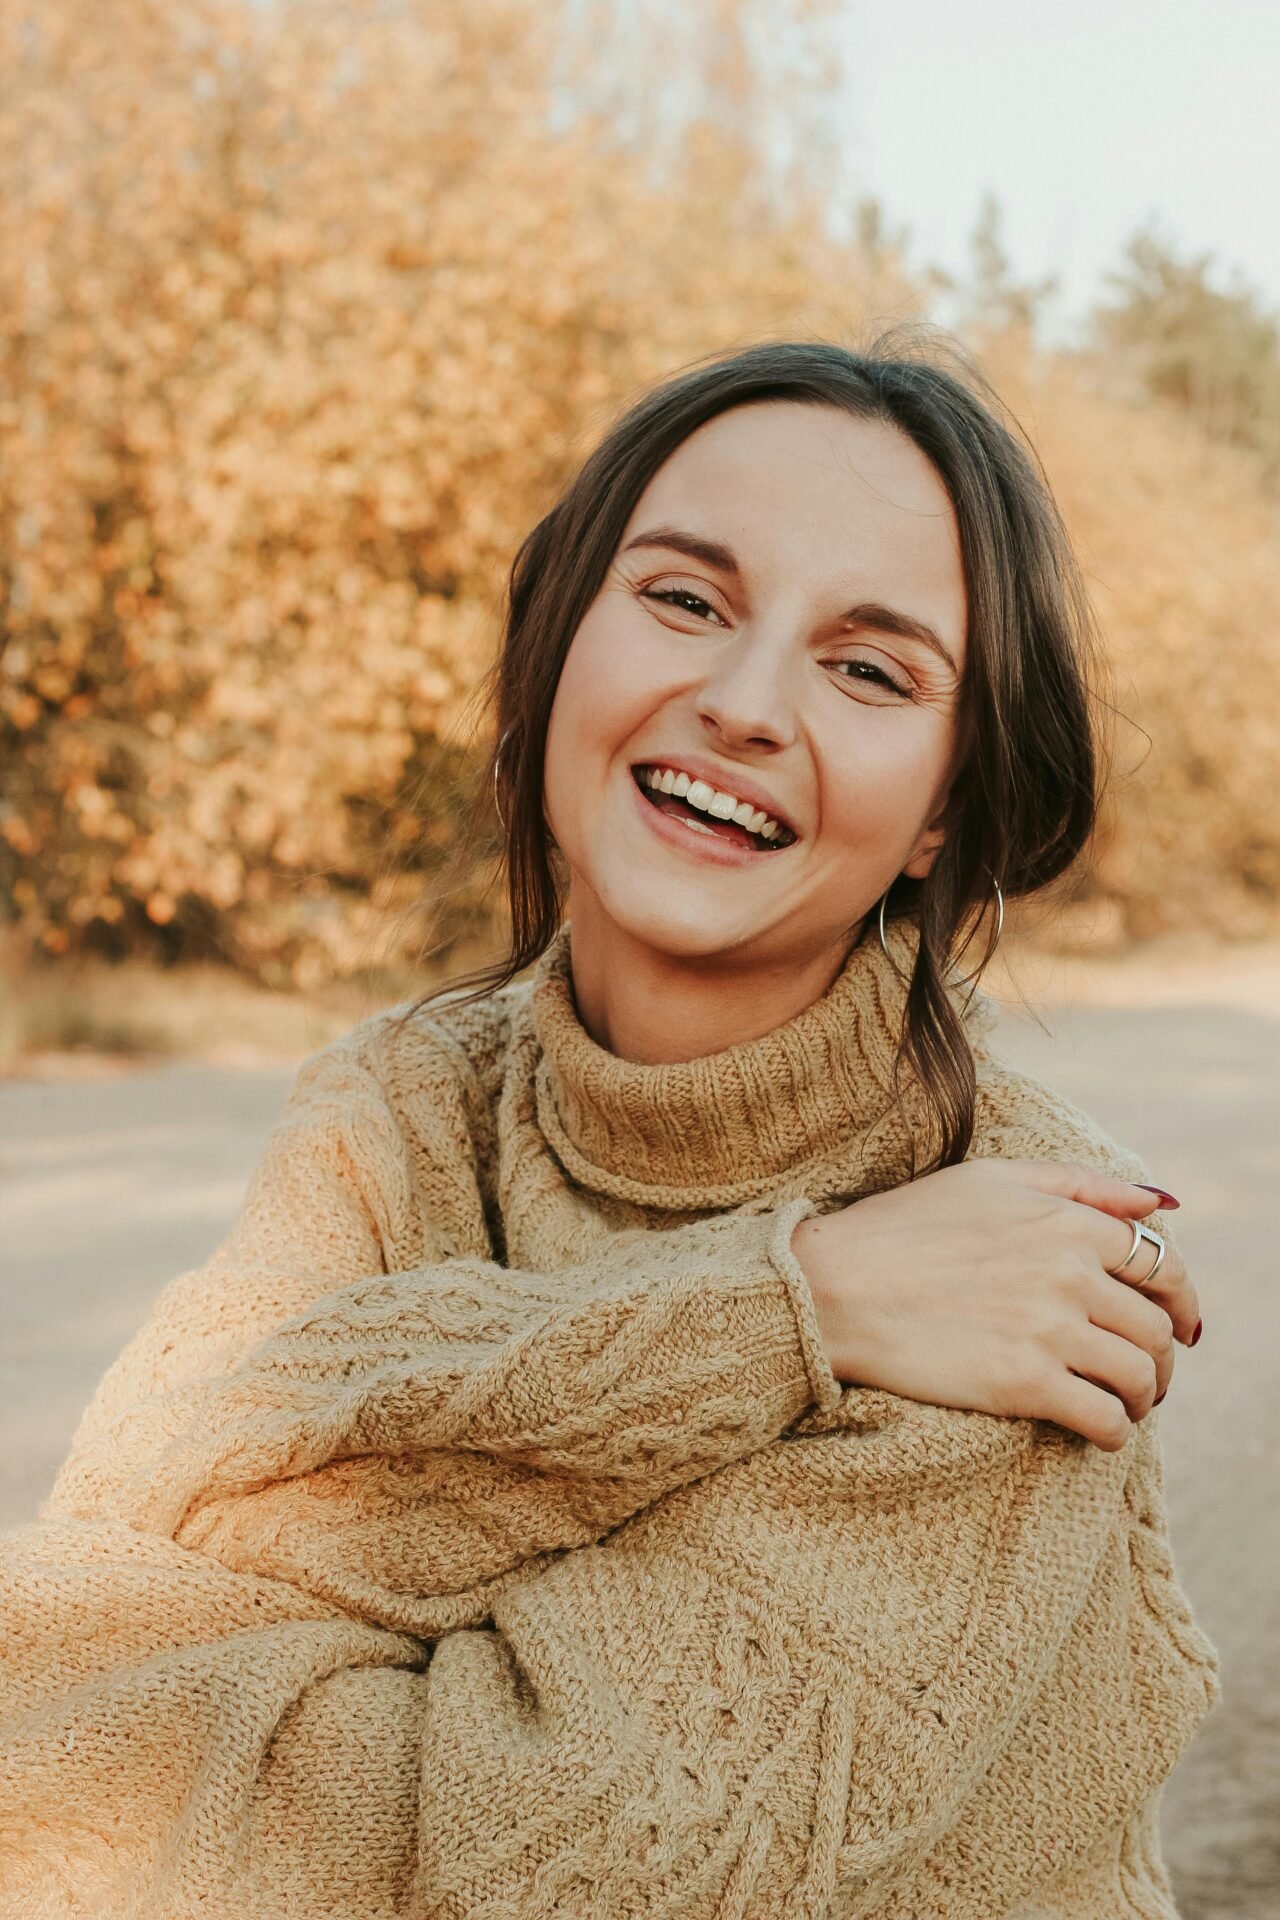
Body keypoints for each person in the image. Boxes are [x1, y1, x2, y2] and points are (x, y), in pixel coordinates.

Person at [0, 337, 1219, 1919]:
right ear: (558, 640)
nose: (740, 704)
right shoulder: (396, 1102)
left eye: (869, 669)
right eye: (686, 600)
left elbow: (586, 1865)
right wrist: (794, 1310)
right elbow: (56, 1665)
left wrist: (264, 1658)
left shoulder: (1020, 1245)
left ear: (940, 811)